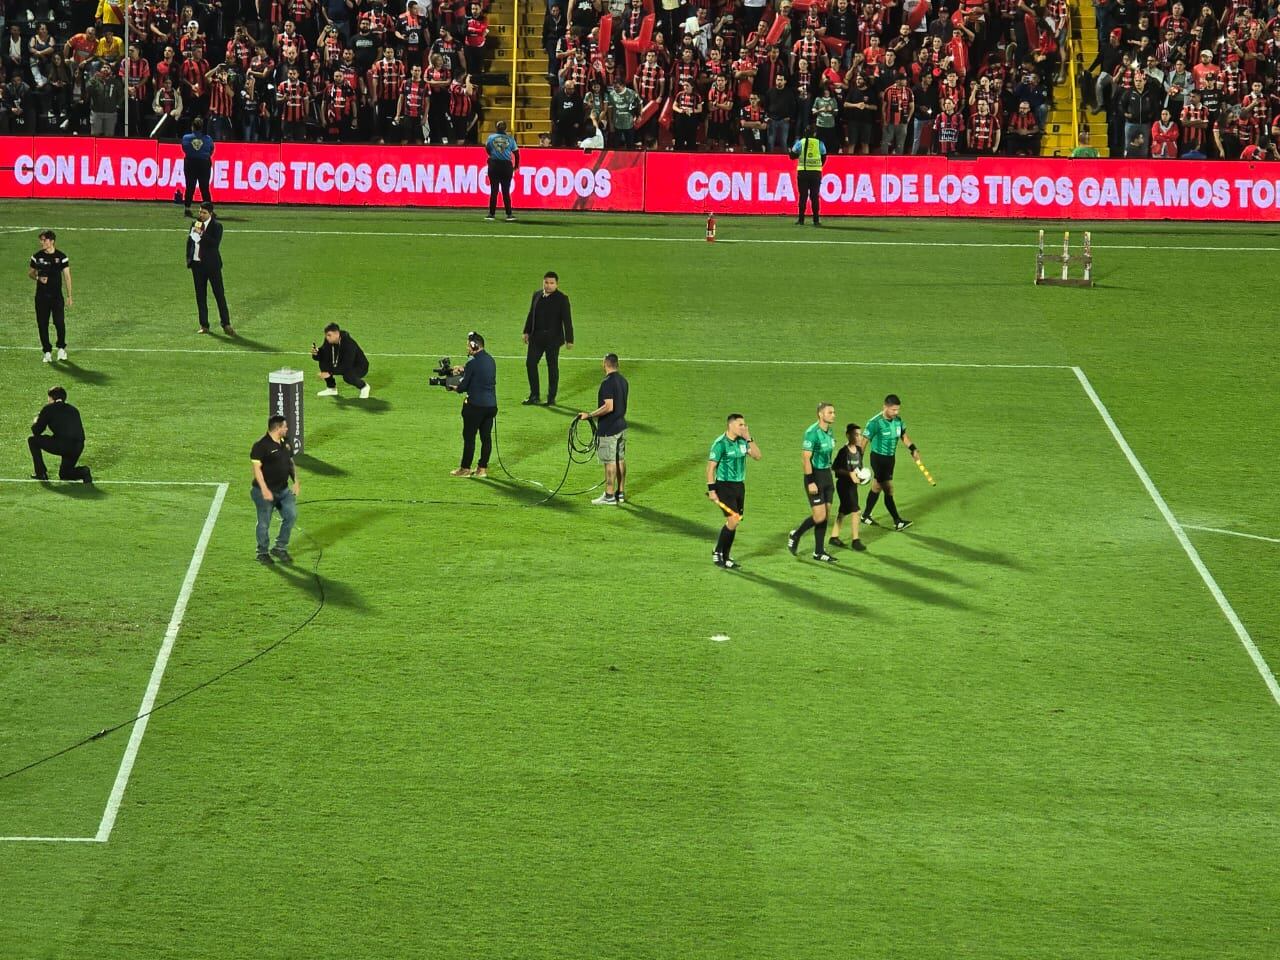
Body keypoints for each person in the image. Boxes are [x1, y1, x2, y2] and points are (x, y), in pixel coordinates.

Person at [706, 413, 761, 569]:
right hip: (724, 486)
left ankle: (726, 556)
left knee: (734, 523)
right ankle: (717, 551)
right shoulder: (720, 443)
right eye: (741, 425)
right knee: (733, 519)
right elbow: (710, 468)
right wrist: (711, 490)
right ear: (730, 425)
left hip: (739, 487)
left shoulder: (743, 442)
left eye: (745, 425)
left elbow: (757, 456)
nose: (744, 427)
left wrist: (749, 438)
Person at [859, 393, 921, 531]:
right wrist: (858, 462)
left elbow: (903, 436)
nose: (896, 412)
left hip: (890, 460)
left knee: (876, 487)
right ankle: (897, 521)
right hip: (878, 459)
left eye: (898, 409)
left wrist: (913, 449)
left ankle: (865, 515)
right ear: (885, 407)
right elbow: (863, 443)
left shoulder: (898, 421)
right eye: (893, 410)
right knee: (888, 489)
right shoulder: (875, 423)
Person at [787, 402, 839, 562]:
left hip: (827, 476)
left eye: (834, 412)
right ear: (820, 415)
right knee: (819, 516)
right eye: (830, 412)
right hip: (814, 476)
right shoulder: (812, 433)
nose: (833, 415)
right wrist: (810, 481)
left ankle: (818, 552)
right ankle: (796, 534)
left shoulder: (830, 432)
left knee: (825, 515)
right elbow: (806, 459)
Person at [578, 353, 628, 505]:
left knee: (610, 461)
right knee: (620, 459)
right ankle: (620, 493)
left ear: (605, 364)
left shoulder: (607, 383)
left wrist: (590, 415)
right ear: (617, 364)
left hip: (609, 428)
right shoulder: (624, 381)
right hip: (621, 425)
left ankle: (609, 495)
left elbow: (608, 406)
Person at [250, 414, 299, 565]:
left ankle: (280, 547)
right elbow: (257, 469)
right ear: (277, 428)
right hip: (263, 491)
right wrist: (264, 489)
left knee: (291, 516)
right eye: (285, 426)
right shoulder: (261, 445)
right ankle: (262, 552)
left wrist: (296, 481)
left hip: (283, 490)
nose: (287, 428)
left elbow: (290, 462)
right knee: (264, 523)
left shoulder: (285, 442)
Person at [448, 331, 497, 478]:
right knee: (486, 437)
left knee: (469, 437)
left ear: (474, 345)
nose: (468, 348)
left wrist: (452, 386)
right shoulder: (490, 360)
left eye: (469, 346)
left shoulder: (472, 362)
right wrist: (465, 368)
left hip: (475, 407)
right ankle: (482, 469)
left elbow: (463, 387)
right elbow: (480, 373)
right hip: (491, 406)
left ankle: (465, 469)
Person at [522, 270, 574, 406]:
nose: (548, 285)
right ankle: (534, 395)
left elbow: (567, 320)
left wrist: (570, 339)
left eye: (552, 283)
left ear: (556, 284)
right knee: (530, 364)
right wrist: (526, 331)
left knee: (552, 368)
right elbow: (531, 314)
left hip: (553, 340)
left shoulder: (562, 299)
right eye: (546, 282)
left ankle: (551, 398)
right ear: (543, 282)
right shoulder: (537, 295)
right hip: (536, 339)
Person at [186, 202, 235, 335]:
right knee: (200, 296)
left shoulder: (217, 226)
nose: (201, 215)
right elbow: (190, 242)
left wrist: (202, 234)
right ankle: (204, 325)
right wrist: (189, 260)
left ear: (211, 214)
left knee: (219, 295)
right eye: (200, 212)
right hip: (197, 266)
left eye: (204, 213)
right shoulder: (195, 224)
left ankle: (226, 324)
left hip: (212, 267)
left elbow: (214, 244)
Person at [28, 386, 92, 483]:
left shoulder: (48, 409)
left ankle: (41, 473)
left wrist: (36, 420)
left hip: (62, 445)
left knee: (32, 440)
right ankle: (83, 472)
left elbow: (36, 431)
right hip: (77, 446)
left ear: (51, 398)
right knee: (65, 474)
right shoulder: (73, 409)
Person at [28, 230, 73, 364]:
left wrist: (70, 296)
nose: (42, 242)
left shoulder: (62, 256)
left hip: (57, 297)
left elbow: (67, 277)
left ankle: (61, 349)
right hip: (41, 297)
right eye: (41, 240)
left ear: (51, 241)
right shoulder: (36, 257)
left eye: (44, 240)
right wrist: (37, 277)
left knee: (59, 322)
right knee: (42, 324)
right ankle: (47, 351)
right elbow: (30, 273)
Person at [828, 422, 867, 551]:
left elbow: (858, 467)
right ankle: (856, 540)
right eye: (855, 435)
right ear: (848, 436)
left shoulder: (859, 450)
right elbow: (835, 468)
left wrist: (861, 476)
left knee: (843, 511)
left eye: (859, 435)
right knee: (856, 511)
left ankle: (834, 537)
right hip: (844, 486)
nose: (859, 437)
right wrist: (849, 474)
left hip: (853, 486)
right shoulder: (843, 452)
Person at [312, 323, 371, 398]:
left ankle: (364, 387)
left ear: (337, 334)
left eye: (329, 335)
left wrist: (329, 372)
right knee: (323, 361)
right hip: (342, 363)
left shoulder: (349, 344)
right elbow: (323, 354)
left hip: (359, 366)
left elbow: (347, 366)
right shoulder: (329, 341)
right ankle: (331, 388)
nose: (327, 338)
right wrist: (316, 353)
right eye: (326, 335)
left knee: (348, 376)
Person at [790, 122, 827, 226]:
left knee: (803, 196)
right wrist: (818, 166)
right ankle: (816, 220)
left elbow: (792, 155)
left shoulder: (801, 142)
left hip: (803, 172)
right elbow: (824, 156)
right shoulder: (819, 143)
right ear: (815, 134)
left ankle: (801, 219)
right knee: (814, 196)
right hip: (816, 173)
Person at [484, 119, 519, 222]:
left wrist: (491, 155)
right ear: (505, 128)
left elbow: (487, 148)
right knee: (506, 191)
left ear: (496, 127)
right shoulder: (510, 139)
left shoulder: (491, 138)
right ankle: (509, 214)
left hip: (494, 164)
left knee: (494, 191)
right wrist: (516, 165)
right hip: (506, 166)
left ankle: (491, 214)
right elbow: (516, 153)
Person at [181, 116, 214, 217]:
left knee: (190, 187)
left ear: (192, 127)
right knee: (204, 187)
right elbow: (211, 150)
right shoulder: (208, 139)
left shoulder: (186, 138)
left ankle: (187, 208)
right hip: (203, 164)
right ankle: (209, 211)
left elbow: (184, 149)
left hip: (190, 163)